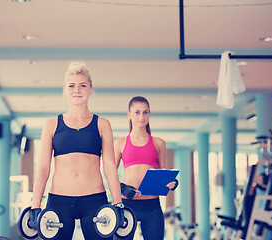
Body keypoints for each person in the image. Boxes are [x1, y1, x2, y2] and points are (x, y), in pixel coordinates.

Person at [29, 61, 123, 240]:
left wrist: (118, 203)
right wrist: (35, 205)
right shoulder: (51, 125)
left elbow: (110, 167)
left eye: (82, 85)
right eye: (71, 85)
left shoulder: (103, 124)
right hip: (59, 200)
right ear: (65, 89)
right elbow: (42, 168)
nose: (77, 90)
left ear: (90, 89)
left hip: (95, 200)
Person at [113, 96, 177, 240]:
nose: (141, 116)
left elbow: (163, 173)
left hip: (152, 207)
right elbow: (110, 174)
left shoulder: (159, 143)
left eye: (145, 112)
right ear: (129, 114)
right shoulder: (120, 143)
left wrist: (172, 183)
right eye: (137, 112)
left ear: (149, 114)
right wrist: (122, 188)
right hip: (127, 205)